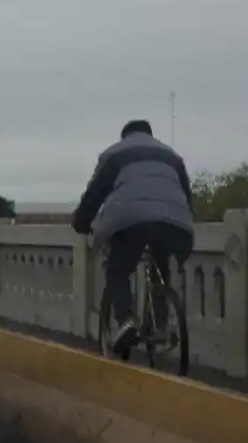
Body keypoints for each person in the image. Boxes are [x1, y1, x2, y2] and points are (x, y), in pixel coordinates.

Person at [71, 119, 194, 356]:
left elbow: (95, 195)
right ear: (150, 135)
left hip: (131, 219)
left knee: (117, 269)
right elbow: (186, 197)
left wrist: (81, 222)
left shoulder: (114, 154)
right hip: (174, 220)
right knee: (161, 263)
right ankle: (161, 325)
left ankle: (126, 320)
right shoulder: (172, 156)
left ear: (125, 136)